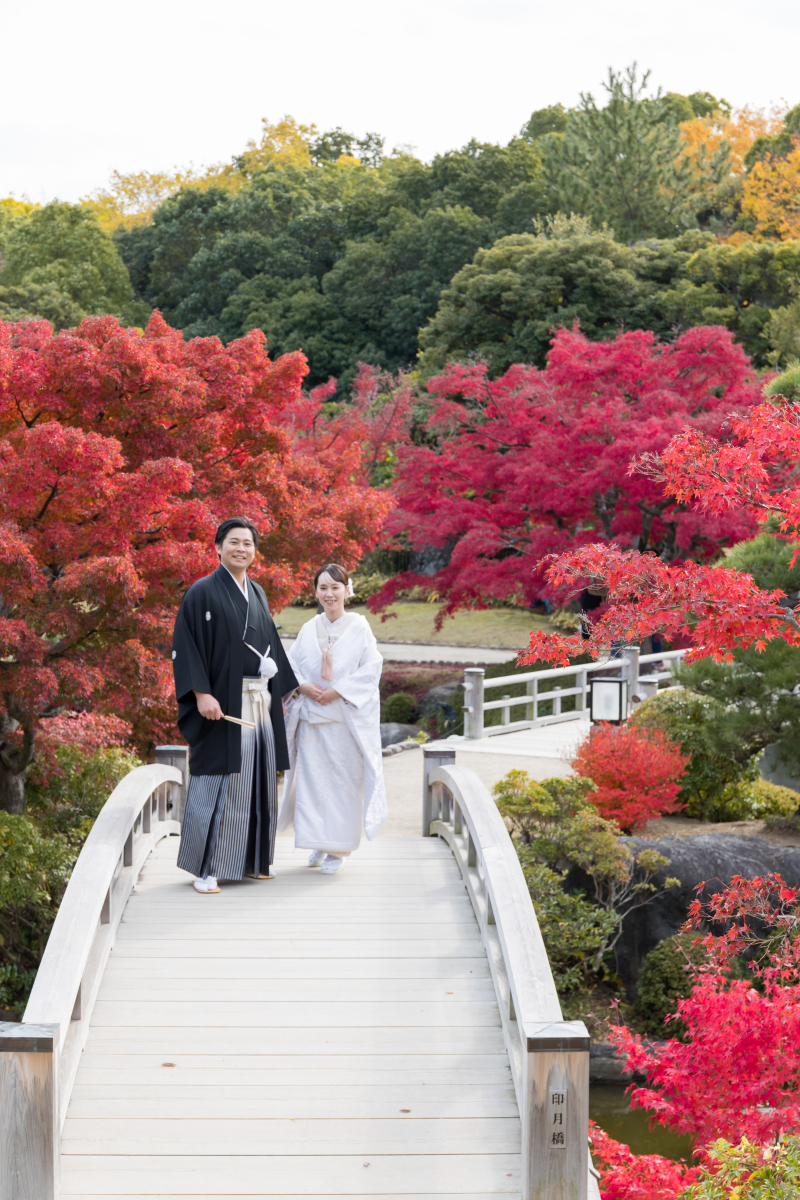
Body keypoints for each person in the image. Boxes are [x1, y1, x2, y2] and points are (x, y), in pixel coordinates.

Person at [172, 517, 298, 893]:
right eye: (234, 542)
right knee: (216, 780)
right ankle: (206, 868)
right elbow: (186, 646)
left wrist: (282, 692)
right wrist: (200, 693)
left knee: (255, 781)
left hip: (258, 701)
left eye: (247, 543)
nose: (241, 548)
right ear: (218, 546)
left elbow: (271, 646)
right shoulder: (201, 592)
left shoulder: (256, 592)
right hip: (221, 703)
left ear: (254, 552)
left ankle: (249, 861)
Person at [278, 563, 387, 873]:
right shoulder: (308, 628)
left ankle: (337, 850)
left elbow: (371, 669)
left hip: (343, 721)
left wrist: (338, 690)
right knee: (312, 785)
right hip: (312, 720)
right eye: (323, 588)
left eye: (335, 587)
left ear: (346, 590)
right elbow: (291, 664)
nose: (329, 593)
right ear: (316, 592)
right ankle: (317, 842)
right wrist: (302, 685)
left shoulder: (359, 626)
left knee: (342, 784)